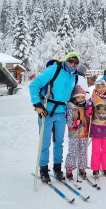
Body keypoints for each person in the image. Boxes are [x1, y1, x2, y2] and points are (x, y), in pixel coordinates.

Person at [29, 52, 80, 183]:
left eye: (76, 62)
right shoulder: (55, 69)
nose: (73, 64)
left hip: (61, 112)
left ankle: (57, 168)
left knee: (59, 142)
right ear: (65, 61)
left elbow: (72, 94)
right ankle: (44, 170)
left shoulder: (75, 77)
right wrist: (37, 104)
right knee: (45, 142)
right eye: (70, 60)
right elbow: (34, 85)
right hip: (46, 110)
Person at [85, 79, 106, 177]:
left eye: (103, 87)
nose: (101, 89)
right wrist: (89, 111)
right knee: (95, 149)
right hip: (96, 128)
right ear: (96, 88)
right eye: (98, 87)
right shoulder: (93, 98)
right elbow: (87, 114)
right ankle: (95, 168)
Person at [65, 86, 89, 179]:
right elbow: (68, 120)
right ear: (74, 97)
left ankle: (82, 168)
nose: (80, 99)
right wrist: (74, 124)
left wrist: (89, 115)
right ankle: (69, 168)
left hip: (84, 133)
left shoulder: (86, 107)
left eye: (82, 97)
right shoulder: (71, 107)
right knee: (73, 151)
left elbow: (87, 118)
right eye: (78, 97)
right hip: (74, 134)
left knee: (83, 151)